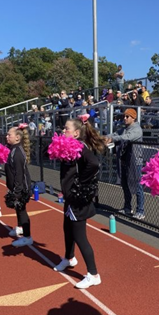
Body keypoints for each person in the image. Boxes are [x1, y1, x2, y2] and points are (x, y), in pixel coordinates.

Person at [54, 117, 107, 289]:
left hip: (78, 198)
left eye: (66, 128)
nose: (63, 131)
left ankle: (93, 274)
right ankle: (69, 258)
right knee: (67, 229)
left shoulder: (81, 147)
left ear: (76, 133)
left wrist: (80, 182)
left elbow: (94, 164)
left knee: (79, 236)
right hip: (70, 197)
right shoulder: (68, 147)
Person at [104, 108, 145, 220]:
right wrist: (105, 137)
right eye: (124, 116)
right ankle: (127, 207)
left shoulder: (137, 129)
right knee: (125, 184)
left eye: (127, 116)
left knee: (137, 186)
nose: (125, 118)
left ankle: (140, 211)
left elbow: (126, 137)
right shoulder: (124, 129)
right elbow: (115, 134)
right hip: (125, 160)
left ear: (133, 117)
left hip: (135, 161)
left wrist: (112, 139)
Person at [5, 124, 33, 247]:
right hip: (15, 186)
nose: (6, 136)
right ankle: (20, 227)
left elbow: (19, 174)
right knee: (18, 209)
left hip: (21, 187)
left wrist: (16, 192)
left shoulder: (17, 153)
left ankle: (27, 237)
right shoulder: (13, 149)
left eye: (9, 135)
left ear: (17, 137)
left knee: (22, 210)